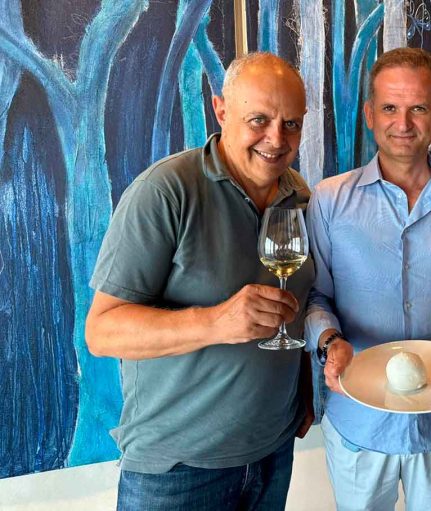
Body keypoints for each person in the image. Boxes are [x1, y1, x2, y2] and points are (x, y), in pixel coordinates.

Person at [85, 52, 314, 511]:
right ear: (221, 110)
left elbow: (300, 305)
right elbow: (101, 332)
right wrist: (215, 322)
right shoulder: (165, 191)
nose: (276, 139)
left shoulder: (299, 195)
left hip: (273, 452)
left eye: (291, 124)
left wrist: (303, 388)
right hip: (177, 472)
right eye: (259, 120)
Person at [305, 47, 431, 511]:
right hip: (358, 418)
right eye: (390, 107)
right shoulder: (329, 200)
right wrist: (330, 342)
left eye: (418, 108)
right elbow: (315, 296)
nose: (403, 123)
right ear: (370, 114)